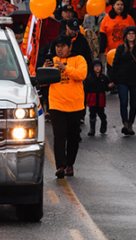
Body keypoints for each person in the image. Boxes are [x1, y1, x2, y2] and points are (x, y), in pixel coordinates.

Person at [45, 36, 87, 178]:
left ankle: (70, 164)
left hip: (75, 105)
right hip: (57, 105)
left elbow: (81, 75)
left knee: (73, 137)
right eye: (57, 46)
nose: (59, 49)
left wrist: (65, 68)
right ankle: (60, 166)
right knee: (59, 136)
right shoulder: (51, 61)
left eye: (62, 46)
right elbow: (43, 82)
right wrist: (46, 68)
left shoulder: (79, 59)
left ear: (69, 47)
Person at [111, 26, 136, 136]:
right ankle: (125, 123)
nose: (131, 35)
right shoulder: (120, 48)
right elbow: (115, 64)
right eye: (129, 33)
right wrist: (112, 80)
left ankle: (130, 123)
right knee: (123, 102)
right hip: (122, 79)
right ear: (125, 36)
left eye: (133, 33)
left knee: (134, 103)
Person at [84, 60, 109, 137]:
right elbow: (86, 89)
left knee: (101, 112)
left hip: (100, 98)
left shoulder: (104, 78)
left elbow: (107, 88)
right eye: (96, 66)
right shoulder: (89, 78)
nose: (97, 68)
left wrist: (110, 86)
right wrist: (85, 99)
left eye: (99, 66)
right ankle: (92, 129)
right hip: (92, 98)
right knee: (92, 113)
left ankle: (103, 121)